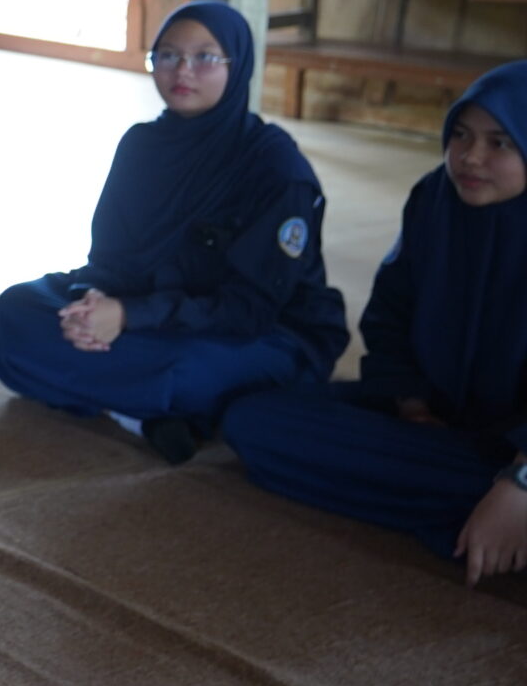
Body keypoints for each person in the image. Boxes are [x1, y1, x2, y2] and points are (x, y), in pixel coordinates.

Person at [0, 0, 348, 464]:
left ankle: (133, 401)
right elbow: (110, 259)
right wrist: (91, 304)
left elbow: (249, 309)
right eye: (169, 55)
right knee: (16, 313)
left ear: (238, 66)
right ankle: (142, 415)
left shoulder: (274, 168)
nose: (183, 71)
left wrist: (129, 316)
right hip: (149, 310)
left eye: (205, 57)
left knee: (186, 371)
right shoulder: (141, 145)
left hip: (264, 333)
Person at [223, 61, 527, 584]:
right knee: (252, 421)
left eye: (499, 142)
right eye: (460, 134)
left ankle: (495, 509)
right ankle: (478, 517)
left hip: (512, 448)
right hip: (435, 427)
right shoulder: (434, 200)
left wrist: (519, 482)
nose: (471, 156)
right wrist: (411, 403)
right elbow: (389, 313)